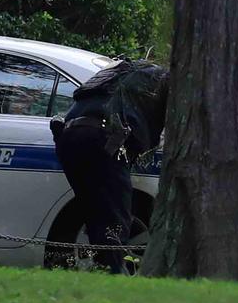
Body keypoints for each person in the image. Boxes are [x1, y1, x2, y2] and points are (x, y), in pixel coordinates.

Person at [49, 57, 168, 269]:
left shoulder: (121, 73)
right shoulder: (163, 82)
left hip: (68, 137)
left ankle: (100, 268)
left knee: (93, 213)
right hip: (103, 140)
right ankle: (114, 275)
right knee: (114, 218)